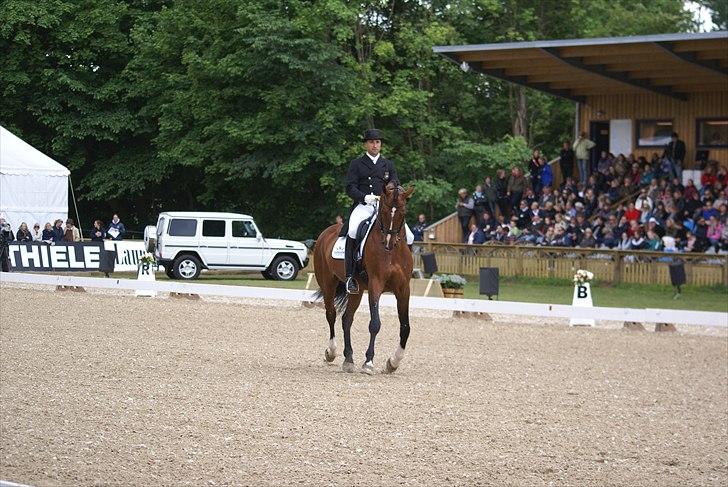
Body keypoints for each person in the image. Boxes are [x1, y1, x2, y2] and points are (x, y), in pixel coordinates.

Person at [343, 128, 414, 294]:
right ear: (366, 144)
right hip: (365, 205)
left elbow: (395, 181)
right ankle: (350, 276)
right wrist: (364, 197)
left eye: (377, 142)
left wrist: (392, 189)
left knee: (409, 235)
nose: (375, 145)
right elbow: (350, 187)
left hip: (386, 207)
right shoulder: (357, 164)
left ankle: (405, 271)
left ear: (380, 144)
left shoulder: (388, 164)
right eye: (371, 142)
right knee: (353, 230)